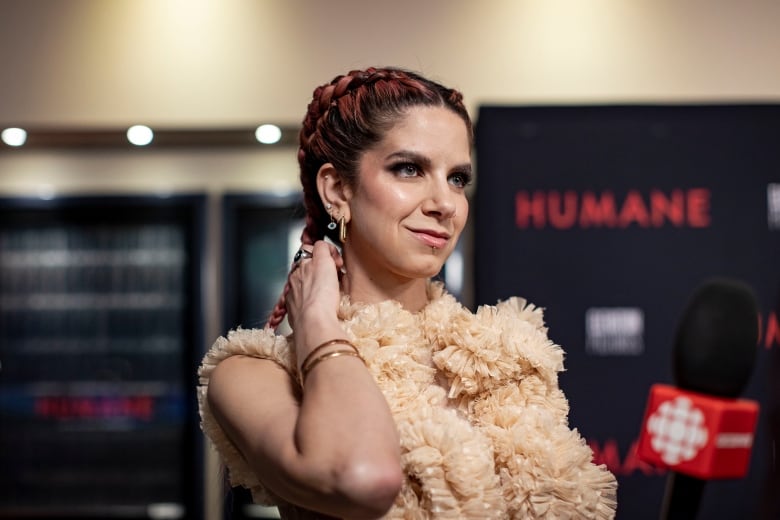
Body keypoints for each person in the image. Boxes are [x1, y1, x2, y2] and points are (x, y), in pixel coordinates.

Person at [198, 66, 617, 519]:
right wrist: (318, 324)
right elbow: (362, 476)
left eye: (457, 178)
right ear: (337, 190)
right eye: (409, 169)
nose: (445, 204)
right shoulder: (255, 374)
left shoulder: (503, 358)